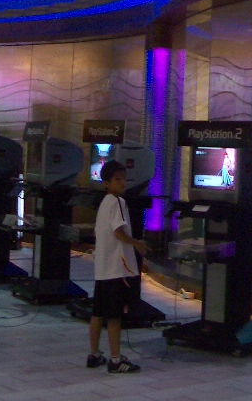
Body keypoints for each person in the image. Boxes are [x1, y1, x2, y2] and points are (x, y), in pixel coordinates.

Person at [86, 159, 148, 374]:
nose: (122, 183)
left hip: (103, 269)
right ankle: (115, 360)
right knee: (114, 316)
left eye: (123, 179)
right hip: (115, 269)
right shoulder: (117, 202)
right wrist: (137, 243)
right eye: (117, 179)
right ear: (106, 183)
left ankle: (94, 354)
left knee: (98, 313)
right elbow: (118, 231)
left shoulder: (104, 202)